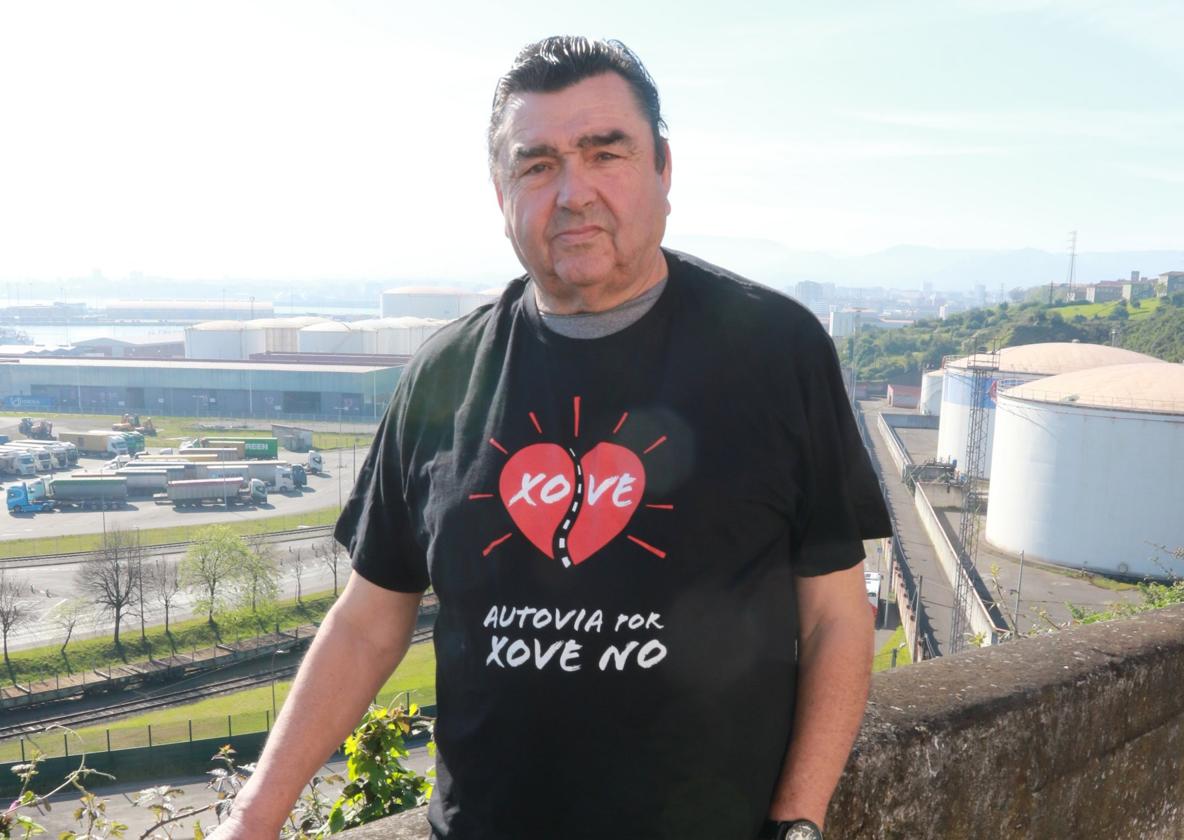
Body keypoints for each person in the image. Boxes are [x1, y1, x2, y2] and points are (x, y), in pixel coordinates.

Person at [215, 36, 892, 840]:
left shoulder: (777, 351)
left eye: (606, 154)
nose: (574, 192)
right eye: (537, 165)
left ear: (664, 169)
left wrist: (800, 822)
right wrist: (252, 819)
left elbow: (835, 619)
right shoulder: (442, 374)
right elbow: (367, 621)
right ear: (499, 189)